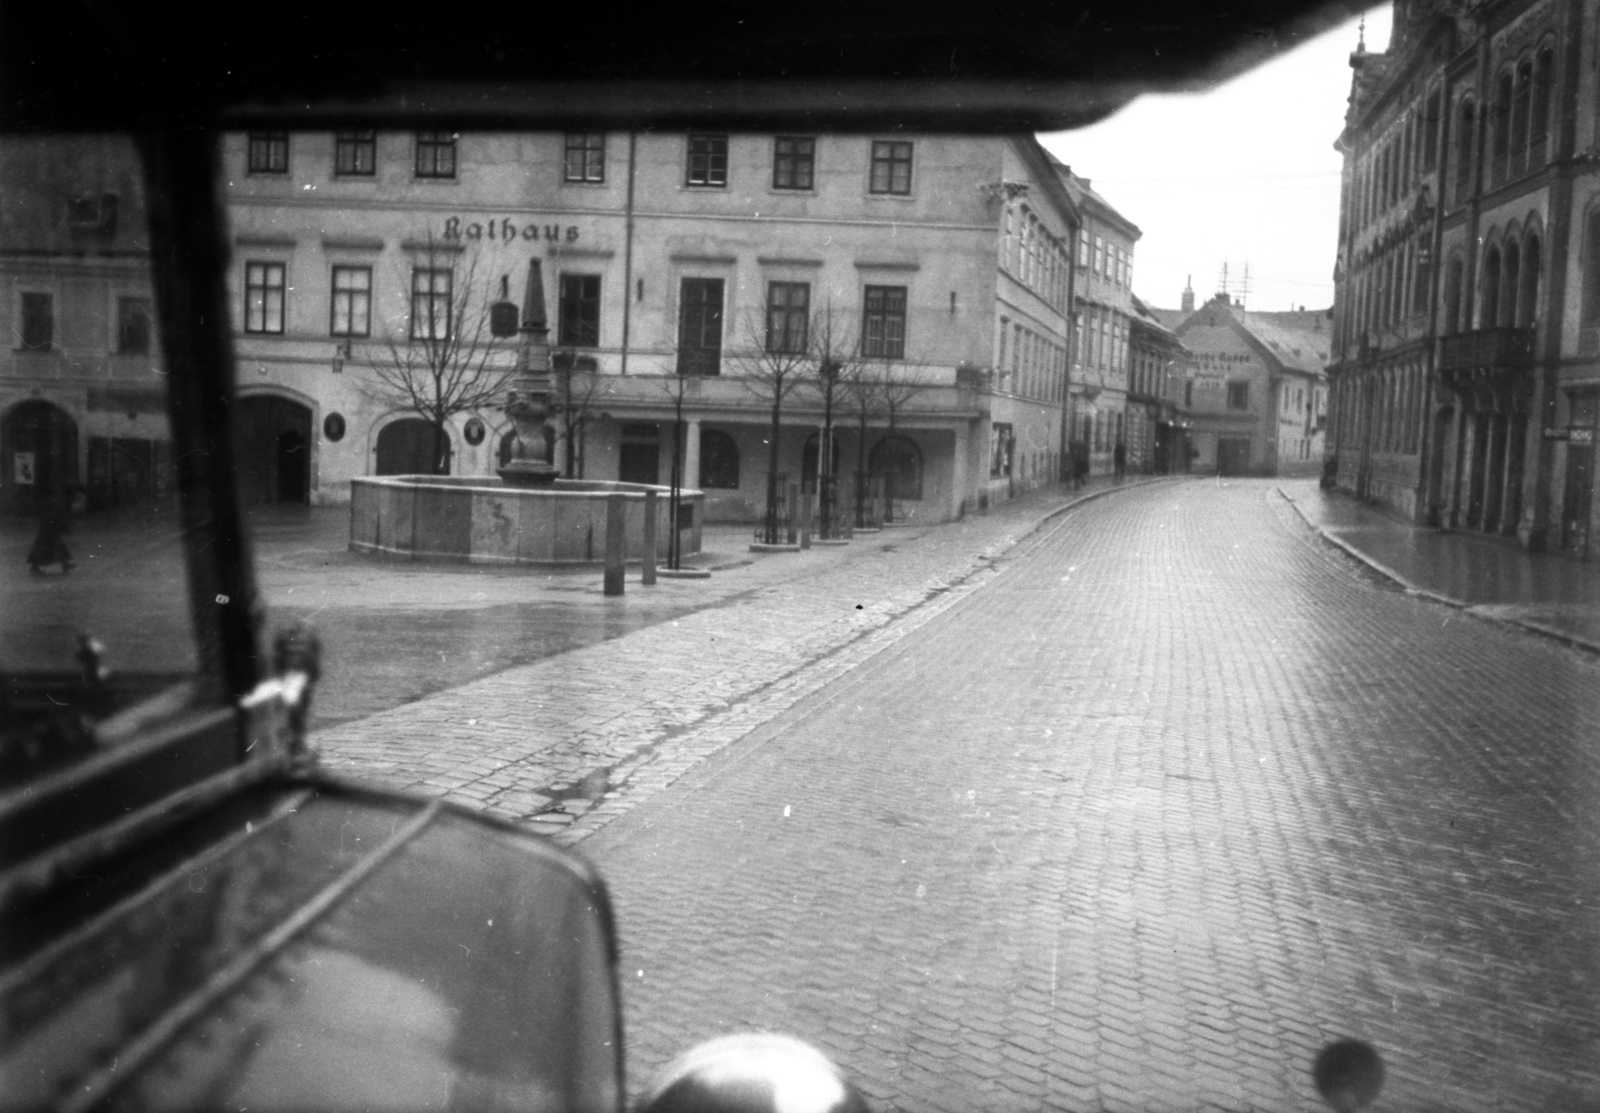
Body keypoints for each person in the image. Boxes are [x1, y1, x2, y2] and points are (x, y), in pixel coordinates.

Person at [27, 492, 74, 574]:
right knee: (55, 547)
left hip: (47, 530)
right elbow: (57, 517)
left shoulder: (47, 505)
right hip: (50, 530)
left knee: (48, 548)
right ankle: (64, 564)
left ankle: (64, 564)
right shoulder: (54, 506)